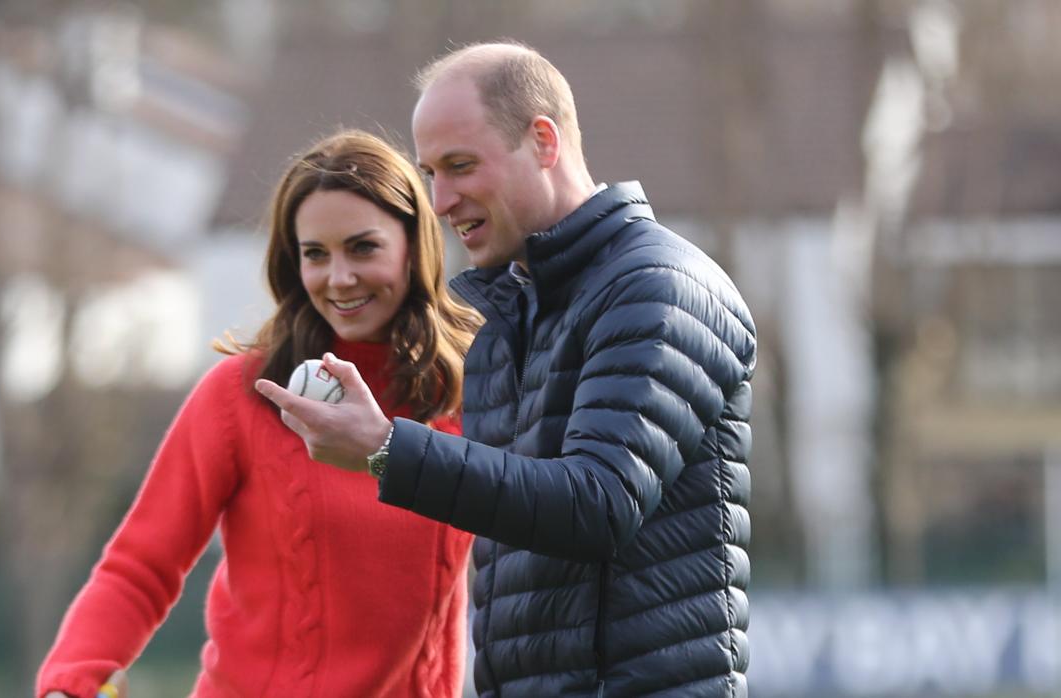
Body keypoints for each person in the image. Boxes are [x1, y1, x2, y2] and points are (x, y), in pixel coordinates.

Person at [256, 42, 757, 697]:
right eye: (430, 172)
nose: (439, 200)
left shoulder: (657, 287)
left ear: (543, 142)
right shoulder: (494, 311)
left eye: (461, 167)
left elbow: (597, 505)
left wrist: (384, 450)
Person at [36, 129, 482, 698]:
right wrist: (70, 683)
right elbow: (139, 566)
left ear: (414, 246)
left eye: (363, 247)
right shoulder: (242, 394)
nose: (338, 278)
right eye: (315, 254)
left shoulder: (470, 392)